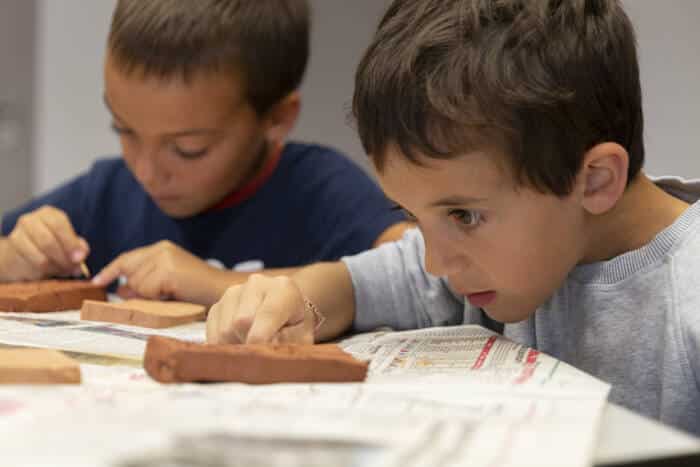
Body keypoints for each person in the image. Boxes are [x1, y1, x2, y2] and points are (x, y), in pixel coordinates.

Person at [206, 0, 700, 435]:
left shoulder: (688, 296)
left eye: (463, 215)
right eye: (414, 216)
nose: (437, 263)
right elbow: (349, 286)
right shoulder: (496, 258)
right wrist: (290, 302)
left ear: (593, 180)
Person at [0, 0, 409, 305]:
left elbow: (425, 272)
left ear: (277, 119)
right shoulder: (107, 194)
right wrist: (14, 258)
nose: (146, 171)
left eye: (188, 149)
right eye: (123, 129)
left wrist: (217, 286)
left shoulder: (321, 192)